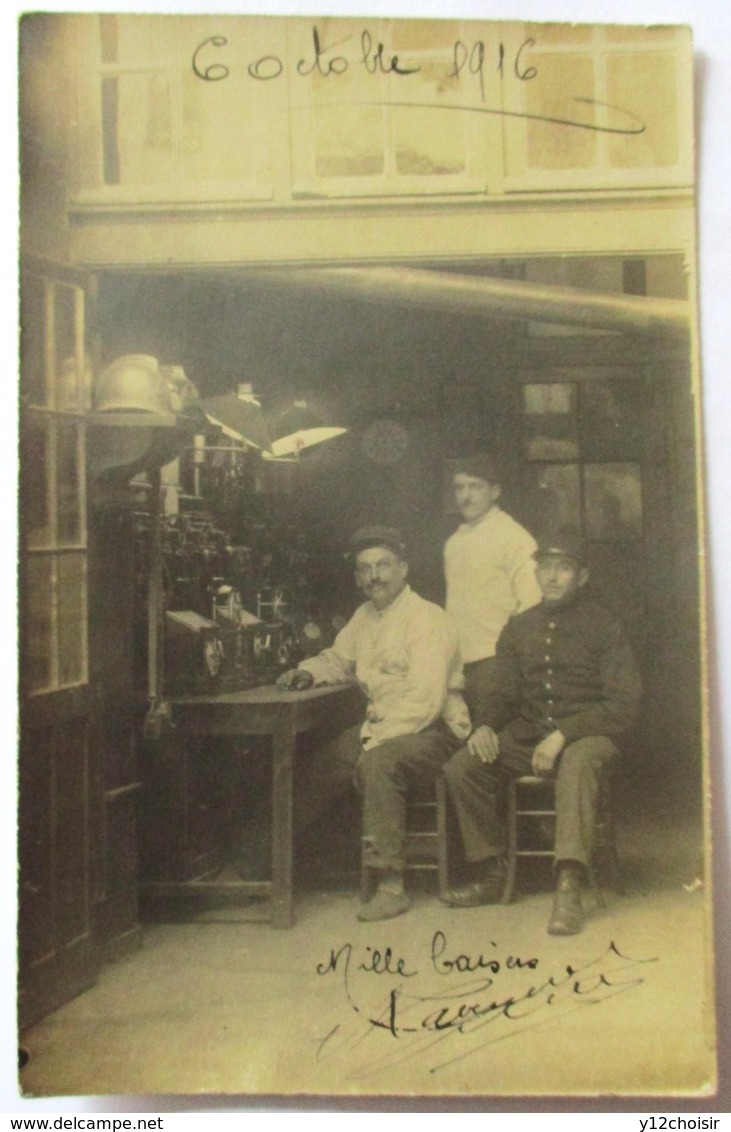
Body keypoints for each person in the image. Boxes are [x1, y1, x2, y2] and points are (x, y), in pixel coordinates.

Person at [442, 537, 641, 935]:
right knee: (463, 766)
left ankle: (569, 884)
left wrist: (565, 734)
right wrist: (484, 725)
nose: (551, 576)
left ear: (582, 576)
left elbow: (624, 704)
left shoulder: (605, 625)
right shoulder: (519, 627)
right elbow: (502, 694)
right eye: (545, 567)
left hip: (592, 734)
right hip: (530, 733)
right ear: (535, 573)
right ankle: (492, 870)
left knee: (577, 762)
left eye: (563, 568)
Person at [276, 525, 470, 922]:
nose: (374, 576)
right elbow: (338, 659)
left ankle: (391, 884)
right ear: (357, 578)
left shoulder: (428, 620)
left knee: (378, 764)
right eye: (365, 569)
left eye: (383, 566)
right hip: (382, 728)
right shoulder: (365, 616)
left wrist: (373, 742)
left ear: (404, 569)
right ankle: (270, 860)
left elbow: (425, 702)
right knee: (324, 762)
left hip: (434, 731)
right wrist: (308, 672)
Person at [444, 453, 542, 723]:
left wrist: (510, 662)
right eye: (459, 487)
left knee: (489, 746)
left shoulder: (514, 538)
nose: (466, 495)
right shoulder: (453, 543)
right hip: (460, 668)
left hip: (496, 666)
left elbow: (532, 605)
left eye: (476, 486)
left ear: (495, 492)